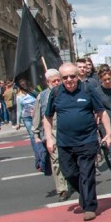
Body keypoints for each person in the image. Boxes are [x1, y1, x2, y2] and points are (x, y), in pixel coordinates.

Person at [44, 62, 111, 221]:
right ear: (60, 79)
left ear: (78, 77)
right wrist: (48, 138)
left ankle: (89, 206)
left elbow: (101, 112)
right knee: (69, 173)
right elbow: (47, 117)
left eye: (72, 76)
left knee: (87, 174)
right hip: (64, 143)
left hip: (87, 141)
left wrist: (108, 133)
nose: (69, 80)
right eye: (65, 77)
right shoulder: (55, 93)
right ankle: (84, 192)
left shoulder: (88, 90)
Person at [34, 69, 71, 201]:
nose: (56, 83)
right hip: (52, 132)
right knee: (56, 160)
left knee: (71, 159)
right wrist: (36, 134)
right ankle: (62, 189)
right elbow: (38, 115)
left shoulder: (68, 91)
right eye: (53, 81)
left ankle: (72, 180)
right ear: (47, 82)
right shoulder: (42, 96)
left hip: (69, 130)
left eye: (58, 80)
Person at [15, 80, 39, 160]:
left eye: (25, 83)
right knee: (32, 135)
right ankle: (37, 152)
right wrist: (18, 122)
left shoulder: (33, 91)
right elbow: (19, 110)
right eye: (22, 84)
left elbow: (39, 101)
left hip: (36, 116)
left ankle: (41, 149)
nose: (24, 85)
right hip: (27, 117)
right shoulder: (19, 96)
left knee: (39, 133)